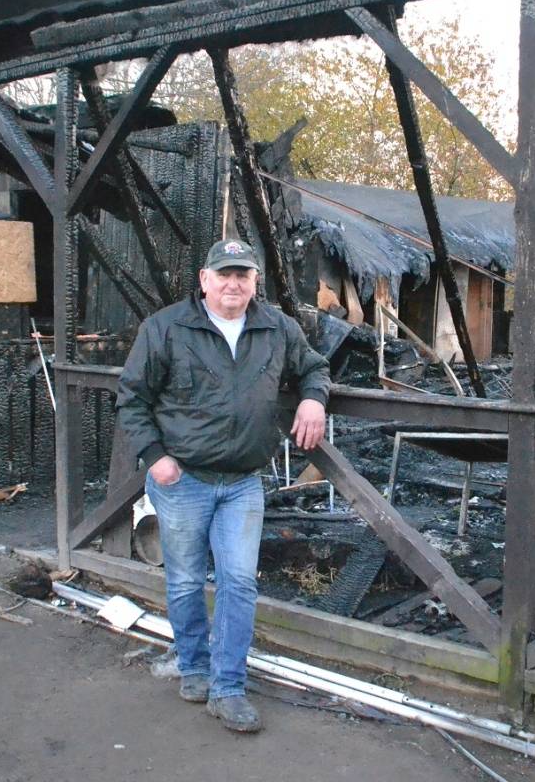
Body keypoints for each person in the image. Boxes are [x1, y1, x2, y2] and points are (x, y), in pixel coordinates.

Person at [116, 238, 330, 733]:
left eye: (243, 275)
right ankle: (193, 665)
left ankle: (228, 687)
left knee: (237, 581)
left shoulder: (277, 327)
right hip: (182, 479)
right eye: (224, 274)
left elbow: (314, 367)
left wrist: (313, 400)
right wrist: (155, 457)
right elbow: (132, 398)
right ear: (204, 280)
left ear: (255, 281)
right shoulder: (166, 328)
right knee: (186, 580)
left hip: (243, 482)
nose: (233, 284)